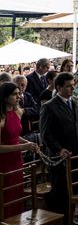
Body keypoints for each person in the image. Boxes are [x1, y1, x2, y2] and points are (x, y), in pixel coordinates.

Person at [40, 72, 78, 218]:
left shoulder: (75, 101)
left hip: (75, 155)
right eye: (68, 86)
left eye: (73, 86)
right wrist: (59, 150)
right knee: (60, 194)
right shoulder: (49, 106)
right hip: (59, 159)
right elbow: (45, 134)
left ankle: (70, 218)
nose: (72, 89)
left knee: (73, 192)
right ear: (58, 87)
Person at [0, 82, 39, 218]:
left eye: (19, 93)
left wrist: (27, 142)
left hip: (17, 159)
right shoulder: (1, 117)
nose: (19, 97)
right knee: (7, 194)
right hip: (4, 162)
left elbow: (15, 136)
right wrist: (24, 146)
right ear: (5, 97)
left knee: (17, 192)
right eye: (15, 94)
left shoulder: (17, 112)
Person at [13, 75, 39, 141]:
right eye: (18, 85)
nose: (21, 87)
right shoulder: (11, 97)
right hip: (16, 130)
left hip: (28, 129)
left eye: (23, 85)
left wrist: (24, 111)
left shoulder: (28, 95)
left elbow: (36, 109)